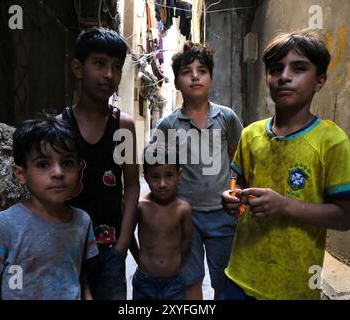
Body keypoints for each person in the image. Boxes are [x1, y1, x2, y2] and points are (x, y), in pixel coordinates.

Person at [221, 29, 350, 300]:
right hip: (238, 275)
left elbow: (345, 217)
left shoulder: (330, 141)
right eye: (276, 69)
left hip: (293, 286)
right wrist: (232, 199)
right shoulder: (250, 135)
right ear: (267, 78)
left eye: (299, 69)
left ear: (319, 81)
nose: (284, 76)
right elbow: (239, 187)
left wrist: (284, 205)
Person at [0, 118, 98, 299]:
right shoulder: (4, 226)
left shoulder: (83, 222)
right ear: (21, 174)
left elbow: (76, 271)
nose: (58, 173)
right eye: (43, 164)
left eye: (67, 163)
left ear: (79, 169)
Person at [153, 41, 243, 299]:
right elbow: (157, 168)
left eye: (202, 70)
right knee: (190, 281)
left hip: (223, 215)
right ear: (176, 81)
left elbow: (236, 161)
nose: (194, 76)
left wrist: (235, 196)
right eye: (186, 71)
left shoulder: (226, 118)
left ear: (212, 79)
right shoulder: (168, 125)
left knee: (223, 282)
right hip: (184, 216)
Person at [58, 27, 140, 300]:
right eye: (99, 64)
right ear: (78, 68)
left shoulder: (123, 126)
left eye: (117, 67)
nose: (109, 75)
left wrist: (123, 244)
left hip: (110, 250)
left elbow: (131, 186)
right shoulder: (60, 126)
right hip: (68, 247)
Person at [131, 143, 193, 300]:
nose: (162, 184)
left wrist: (175, 261)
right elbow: (128, 235)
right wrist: (140, 259)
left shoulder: (183, 209)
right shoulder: (141, 207)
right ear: (145, 176)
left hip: (174, 281)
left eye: (169, 175)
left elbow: (186, 241)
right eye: (155, 177)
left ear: (179, 175)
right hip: (145, 281)